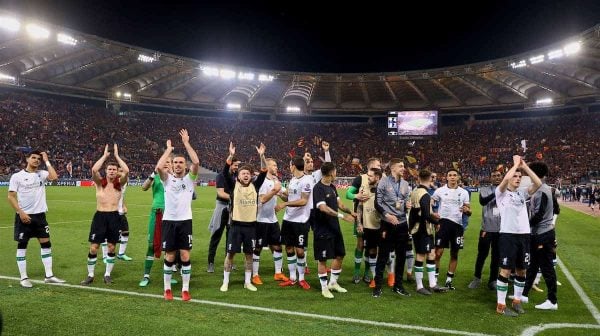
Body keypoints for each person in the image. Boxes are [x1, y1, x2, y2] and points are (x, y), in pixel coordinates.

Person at [8, 150, 66, 288]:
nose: (36, 160)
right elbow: (11, 196)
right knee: (22, 245)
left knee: (46, 244)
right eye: (33, 158)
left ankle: (49, 275)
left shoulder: (42, 174)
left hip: (40, 216)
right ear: (27, 159)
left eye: (38, 159)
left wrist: (46, 160)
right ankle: (23, 277)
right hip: (24, 216)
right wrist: (20, 212)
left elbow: (54, 178)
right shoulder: (17, 176)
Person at [494, 155, 541, 317]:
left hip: (524, 236)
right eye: (515, 176)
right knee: (505, 270)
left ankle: (517, 301)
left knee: (522, 271)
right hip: (508, 235)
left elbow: (538, 183)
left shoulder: (522, 194)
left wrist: (525, 167)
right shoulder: (500, 193)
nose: (518, 178)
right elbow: (506, 177)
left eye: (520, 177)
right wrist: (514, 166)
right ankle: (500, 305)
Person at [156, 129, 200, 301]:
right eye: (175, 162)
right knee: (170, 255)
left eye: (181, 162)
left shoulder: (190, 179)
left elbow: (196, 161)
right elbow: (159, 167)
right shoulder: (166, 179)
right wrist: (168, 149)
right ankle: (167, 289)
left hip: (185, 221)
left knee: (185, 255)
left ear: (185, 165)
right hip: (169, 221)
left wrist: (186, 143)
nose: (178, 165)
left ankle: (185, 289)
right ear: (172, 165)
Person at [220, 142, 268, 292]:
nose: (246, 175)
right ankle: (225, 281)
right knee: (230, 254)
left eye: (248, 173)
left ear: (251, 176)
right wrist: (231, 155)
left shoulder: (255, 186)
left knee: (249, 255)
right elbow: (225, 170)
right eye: (243, 173)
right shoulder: (233, 185)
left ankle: (248, 282)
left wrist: (262, 155)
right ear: (238, 176)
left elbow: (264, 170)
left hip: (251, 226)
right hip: (235, 226)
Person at [80, 144, 129, 286]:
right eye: (110, 169)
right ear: (106, 171)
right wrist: (105, 156)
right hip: (100, 217)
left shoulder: (120, 183)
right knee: (94, 247)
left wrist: (118, 156)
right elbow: (94, 169)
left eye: (114, 169)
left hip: (114, 217)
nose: (112, 171)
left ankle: (107, 274)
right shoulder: (99, 183)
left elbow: (126, 170)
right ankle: (90, 275)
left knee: (112, 247)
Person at [313, 162, 356, 298]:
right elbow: (323, 208)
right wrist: (342, 216)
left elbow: (339, 204)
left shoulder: (332, 187)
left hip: (334, 227)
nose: (336, 174)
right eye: (336, 171)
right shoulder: (318, 188)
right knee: (323, 259)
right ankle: (324, 288)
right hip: (322, 229)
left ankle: (333, 283)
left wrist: (351, 212)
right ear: (331, 173)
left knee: (340, 254)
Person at [521, 161, 558, 310]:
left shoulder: (542, 190)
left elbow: (540, 215)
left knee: (547, 267)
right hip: (539, 233)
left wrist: (525, 225)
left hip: (543, 233)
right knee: (533, 266)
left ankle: (552, 301)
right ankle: (524, 294)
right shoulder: (543, 189)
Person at [372, 158, 411, 298]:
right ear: (393, 168)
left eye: (403, 166)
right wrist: (387, 215)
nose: (403, 168)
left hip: (401, 224)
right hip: (387, 224)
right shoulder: (383, 182)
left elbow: (405, 201)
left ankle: (398, 286)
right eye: (401, 166)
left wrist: (407, 205)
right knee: (382, 256)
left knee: (401, 256)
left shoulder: (406, 184)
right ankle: (377, 286)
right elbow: (377, 203)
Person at [138, 157, 178, 287]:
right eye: (164, 163)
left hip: (171, 215)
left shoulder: (175, 178)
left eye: (169, 163)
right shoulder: (155, 177)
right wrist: (153, 173)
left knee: (170, 246)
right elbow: (143, 188)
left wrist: (172, 173)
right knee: (151, 245)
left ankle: (168, 275)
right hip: (157, 212)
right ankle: (146, 275)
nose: (166, 165)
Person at [276, 156, 313, 290]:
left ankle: (301, 279)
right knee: (289, 248)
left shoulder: (307, 180)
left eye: (289, 165)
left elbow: (303, 201)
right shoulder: (292, 180)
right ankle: (292, 278)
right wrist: (280, 194)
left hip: (301, 220)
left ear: (293, 166)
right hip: (288, 219)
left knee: (300, 250)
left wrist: (285, 203)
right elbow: (290, 197)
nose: (288, 167)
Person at [408, 169, 447, 295]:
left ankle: (432, 284)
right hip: (421, 229)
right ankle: (419, 286)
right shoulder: (424, 195)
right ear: (431, 179)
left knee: (431, 254)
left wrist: (431, 214)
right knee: (421, 255)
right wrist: (437, 222)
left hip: (422, 228)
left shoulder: (415, 192)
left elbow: (419, 211)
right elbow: (424, 215)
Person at [252, 157, 290, 285]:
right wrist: (275, 191)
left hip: (272, 220)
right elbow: (262, 199)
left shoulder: (276, 180)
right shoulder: (262, 181)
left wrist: (281, 194)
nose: (276, 167)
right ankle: (255, 275)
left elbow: (286, 197)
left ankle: (278, 273)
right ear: (267, 167)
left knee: (277, 247)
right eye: (274, 165)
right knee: (257, 248)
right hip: (260, 219)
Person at [432, 168, 471, 290]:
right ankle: (435, 278)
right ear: (446, 177)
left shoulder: (464, 192)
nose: (453, 177)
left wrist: (467, 210)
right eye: (450, 175)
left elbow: (469, 210)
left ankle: (449, 280)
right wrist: (433, 215)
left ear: (458, 177)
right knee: (438, 253)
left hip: (457, 226)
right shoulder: (439, 191)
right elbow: (431, 203)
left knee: (454, 253)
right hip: (442, 224)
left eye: (455, 175)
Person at [345, 158, 382, 284]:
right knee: (360, 243)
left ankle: (367, 272)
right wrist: (356, 196)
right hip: (361, 216)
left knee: (371, 246)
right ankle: (356, 272)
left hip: (375, 218)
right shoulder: (359, 179)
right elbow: (348, 194)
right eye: (378, 165)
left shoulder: (380, 179)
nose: (380, 166)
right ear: (371, 166)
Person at [468, 170, 503, 290]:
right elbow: (483, 201)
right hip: (487, 228)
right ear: (490, 178)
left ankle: (493, 280)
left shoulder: (508, 190)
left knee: (496, 256)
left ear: (502, 177)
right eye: (494, 176)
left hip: (501, 229)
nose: (496, 177)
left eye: (498, 175)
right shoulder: (484, 189)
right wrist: (498, 192)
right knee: (482, 254)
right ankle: (477, 278)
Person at [207, 157, 241, 273]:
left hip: (232, 208)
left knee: (230, 236)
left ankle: (229, 262)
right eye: (235, 165)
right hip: (222, 207)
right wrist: (235, 198)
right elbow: (220, 193)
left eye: (237, 165)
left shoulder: (235, 177)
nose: (236, 167)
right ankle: (210, 262)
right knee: (216, 235)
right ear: (230, 164)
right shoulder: (221, 175)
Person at [355, 167, 383, 288]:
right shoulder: (363, 188)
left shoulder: (383, 190)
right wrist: (359, 223)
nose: (368, 178)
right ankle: (374, 277)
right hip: (368, 226)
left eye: (370, 176)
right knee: (371, 250)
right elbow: (359, 207)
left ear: (377, 177)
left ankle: (389, 276)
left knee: (385, 252)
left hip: (382, 226)